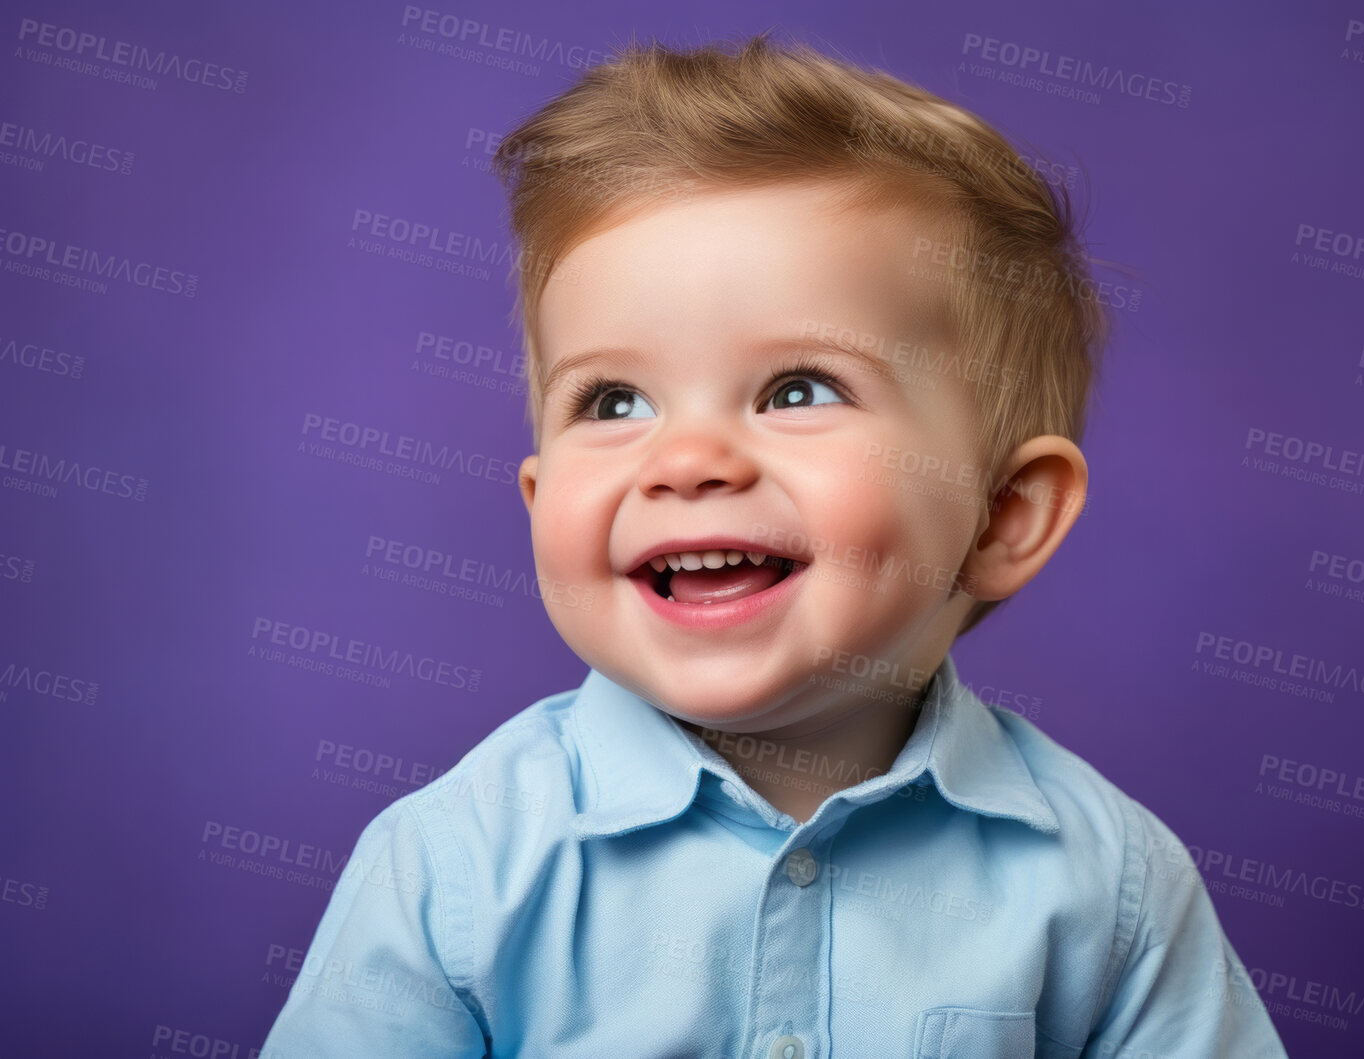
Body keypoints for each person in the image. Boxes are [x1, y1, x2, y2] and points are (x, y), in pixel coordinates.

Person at [261, 32, 1287, 1058]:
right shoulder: (455, 867)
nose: (686, 458)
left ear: (1003, 513)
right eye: (613, 400)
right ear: (537, 499)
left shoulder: (1106, 886)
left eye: (797, 389)